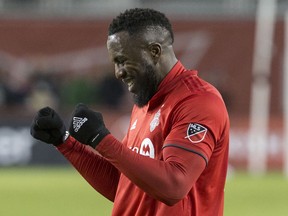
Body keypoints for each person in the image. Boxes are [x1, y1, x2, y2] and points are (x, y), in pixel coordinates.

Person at [30, 8, 230, 216]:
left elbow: (174, 185)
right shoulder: (145, 102)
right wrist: (65, 142)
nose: (118, 73)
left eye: (123, 60)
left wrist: (101, 138)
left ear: (154, 51)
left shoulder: (198, 101)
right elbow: (124, 185)